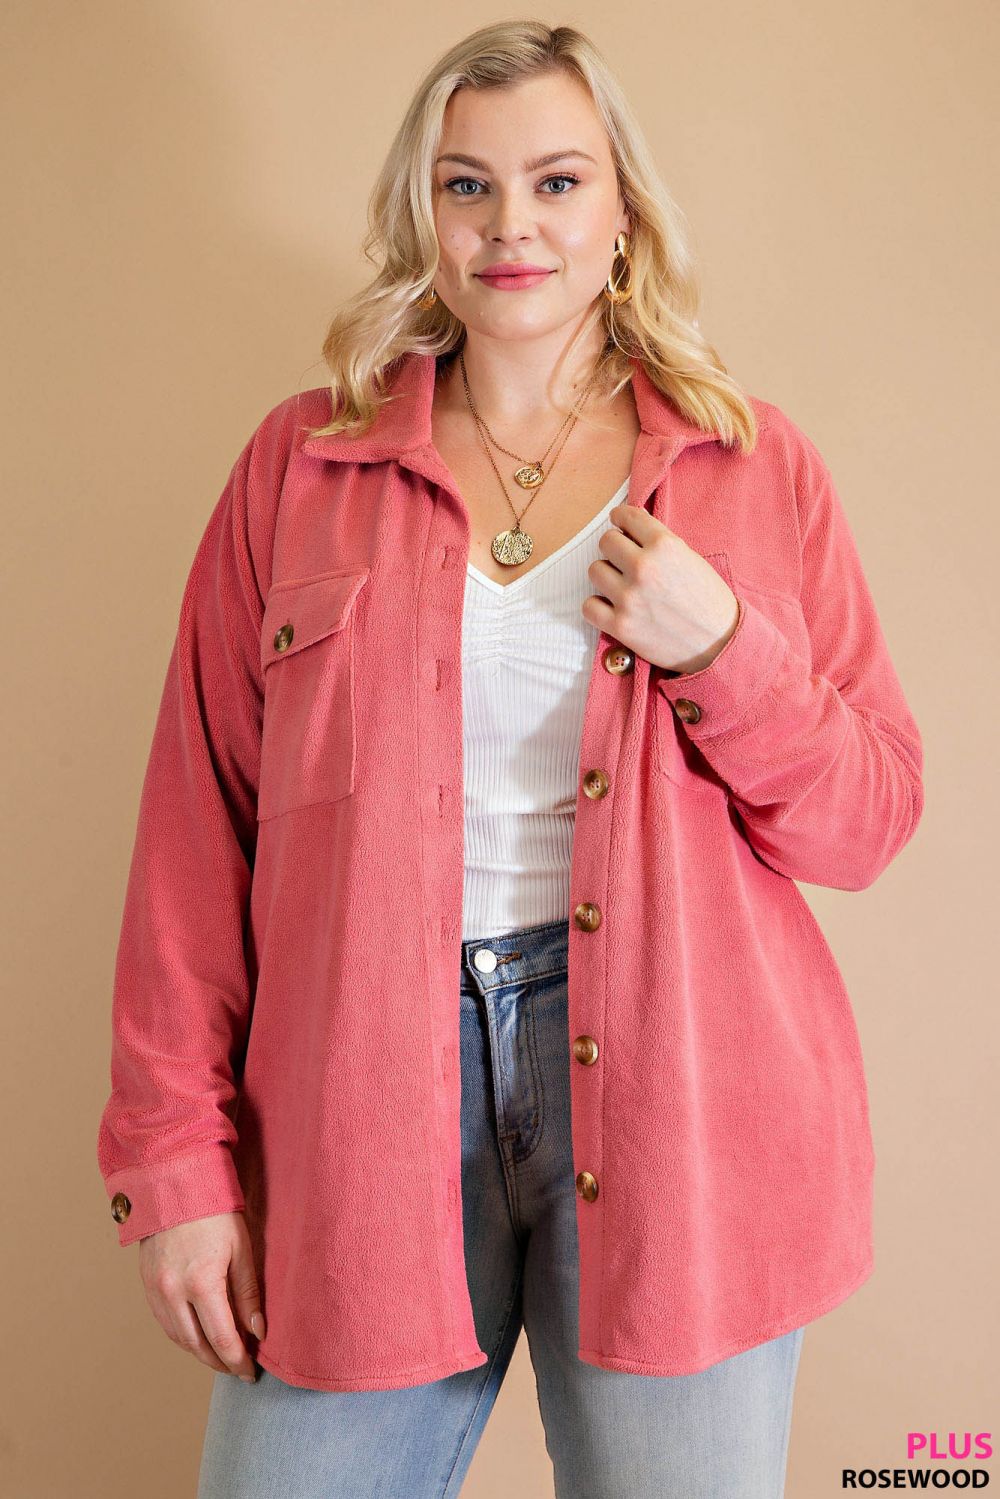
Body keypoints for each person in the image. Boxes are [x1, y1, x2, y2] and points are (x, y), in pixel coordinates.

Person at [96, 20, 924, 1499]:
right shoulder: (302, 470)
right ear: (423, 214)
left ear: (622, 216)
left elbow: (868, 820)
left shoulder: (752, 467)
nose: (511, 226)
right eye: (466, 185)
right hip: (359, 1102)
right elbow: (193, 836)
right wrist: (175, 1168)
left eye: (556, 181)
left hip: (690, 1113)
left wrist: (722, 646)